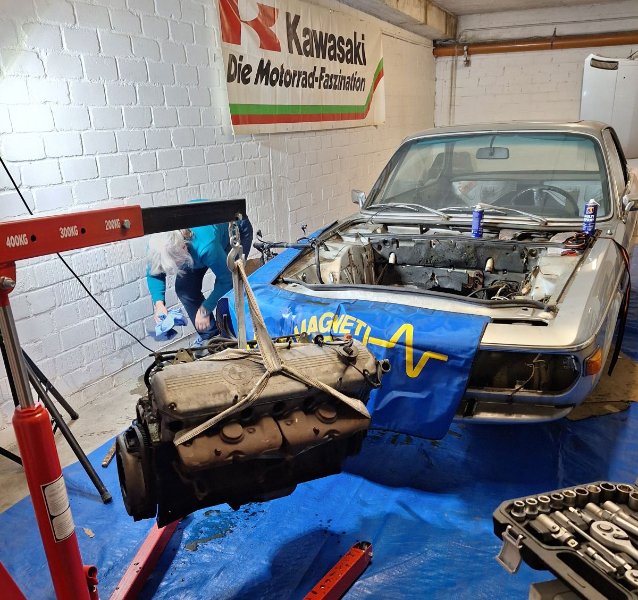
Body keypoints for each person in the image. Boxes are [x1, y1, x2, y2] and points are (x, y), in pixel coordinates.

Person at [146, 212, 253, 344]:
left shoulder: (207, 247)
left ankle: (236, 335)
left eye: (177, 264)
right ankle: (212, 339)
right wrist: (159, 304)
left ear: (184, 248)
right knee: (185, 289)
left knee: (231, 289)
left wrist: (205, 309)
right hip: (199, 243)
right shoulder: (158, 245)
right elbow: (154, 273)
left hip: (235, 229)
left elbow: (227, 280)